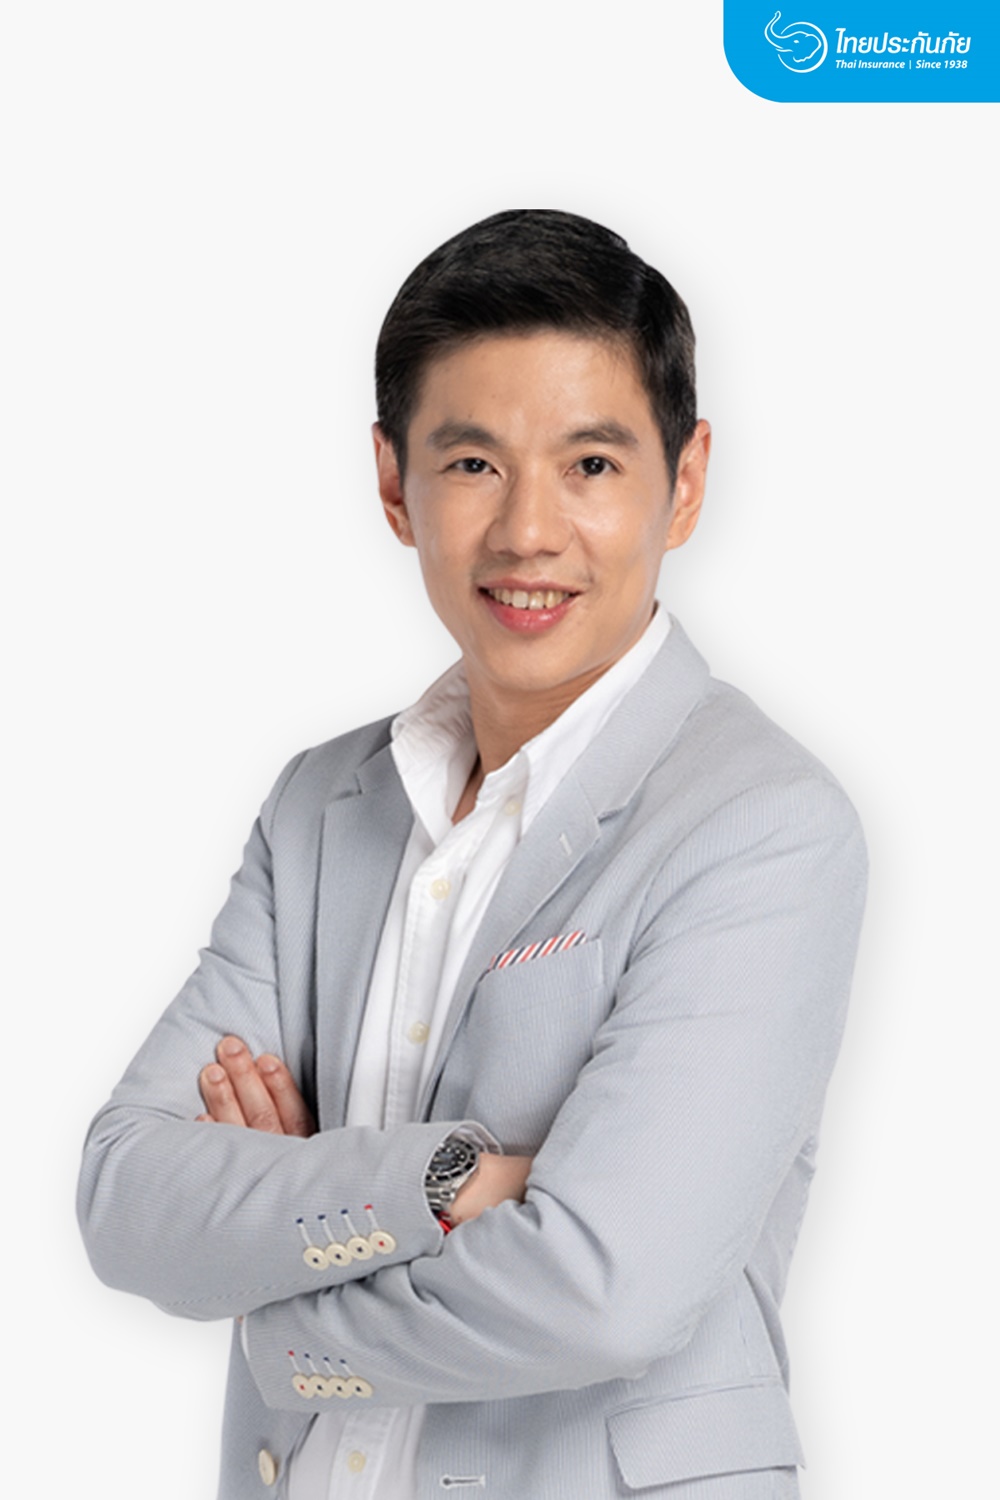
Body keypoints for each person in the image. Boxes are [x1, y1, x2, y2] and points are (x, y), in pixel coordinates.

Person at [78, 209, 867, 1500]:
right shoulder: (320, 805)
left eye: (592, 463)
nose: (528, 532)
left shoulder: (764, 826)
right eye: (472, 463)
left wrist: (279, 1277)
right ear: (395, 484)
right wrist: (445, 1180)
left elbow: (603, 1287)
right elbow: (124, 1196)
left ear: (686, 481)